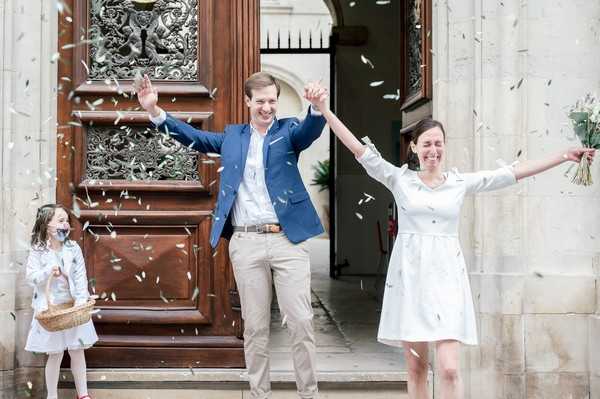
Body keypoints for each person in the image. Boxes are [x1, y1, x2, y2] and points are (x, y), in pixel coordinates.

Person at [317, 108, 595, 399]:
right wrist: (324, 109)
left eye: (438, 143)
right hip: (410, 280)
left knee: (450, 368)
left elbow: (512, 173)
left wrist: (564, 155)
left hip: (447, 280)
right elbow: (358, 150)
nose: (433, 150)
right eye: (426, 143)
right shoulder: (399, 179)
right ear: (414, 147)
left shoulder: (459, 183)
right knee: (416, 368)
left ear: (445, 147)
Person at [137, 72, 329, 399]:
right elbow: (193, 137)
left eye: (272, 101)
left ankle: (308, 394)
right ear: (247, 102)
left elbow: (310, 131)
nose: (267, 107)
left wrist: (316, 108)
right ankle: (259, 394)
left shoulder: (289, 131)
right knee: (254, 328)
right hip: (246, 242)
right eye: (261, 101)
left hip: (288, 240)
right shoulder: (232, 137)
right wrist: (156, 112)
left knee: (300, 322)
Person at [25, 204, 98, 399]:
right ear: (47, 225)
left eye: (67, 221)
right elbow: (31, 277)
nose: (65, 224)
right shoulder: (38, 250)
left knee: (77, 350)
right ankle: (52, 395)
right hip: (51, 311)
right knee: (55, 354)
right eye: (60, 220)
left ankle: (83, 394)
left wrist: (80, 302)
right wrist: (48, 271)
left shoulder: (73, 248)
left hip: (73, 308)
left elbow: (81, 276)